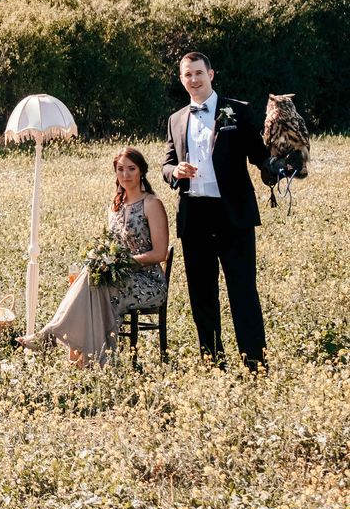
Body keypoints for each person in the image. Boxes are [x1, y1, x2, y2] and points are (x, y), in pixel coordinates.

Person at [162, 51, 273, 371]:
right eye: (187, 75)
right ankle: (213, 363)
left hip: (233, 216)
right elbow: (166, 164)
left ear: (211, 74)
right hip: (195, 216)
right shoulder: (177, 118)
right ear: (182, 80)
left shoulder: (235, 111)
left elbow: (258, 154)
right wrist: (175, 172)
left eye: (199, 73)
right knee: (202, 295)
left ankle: (256, 364)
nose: (193, 80)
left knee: (243, 292)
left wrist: (275, 167)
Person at [18, 147, 169, 363]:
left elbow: (160, 253)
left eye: (131, 169)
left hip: (147, 281)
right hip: (118, 277)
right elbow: (110, 246)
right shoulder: (115, 206)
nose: (125, 175)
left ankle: (61, 343)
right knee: (93, 279)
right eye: (120, 169)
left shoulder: (152, 204)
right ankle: (89, 358)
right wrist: (102, 261)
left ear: (141, 171)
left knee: (97, 286)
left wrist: (125, 263)